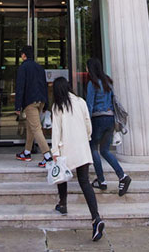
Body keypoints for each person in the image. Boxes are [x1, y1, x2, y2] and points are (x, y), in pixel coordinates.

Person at [50, 77, 105, 242]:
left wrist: (54, 151)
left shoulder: (57, 106)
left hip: (65, 147)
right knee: (85, 182)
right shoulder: (80, 102)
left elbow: (56, 130)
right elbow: (88, 123)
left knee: (62, 176)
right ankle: (96, 218)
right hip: (81, 148)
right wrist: (86, 138)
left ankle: (63, 204)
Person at [86, 58, 131, 196]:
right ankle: (122, 176)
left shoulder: (92, 84)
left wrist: (86, 122)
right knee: (105, 150)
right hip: (110, 119)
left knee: (93, 148)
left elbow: (89, 104)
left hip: (98, 119)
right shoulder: (108, 82)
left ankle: (101, 180)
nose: (86, 70)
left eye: (87, 67)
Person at [14, 45, 53, 167]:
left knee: (36, 128)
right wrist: (46, 103)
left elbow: (20, 87)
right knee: (31, 127)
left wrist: (17, 106)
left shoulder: (23, 67)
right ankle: (27, 152)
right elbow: (44, 86)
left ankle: (48, 156)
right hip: (40, 101)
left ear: (24, 55)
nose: (21, 56)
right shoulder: (39, 68)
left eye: (21, 54)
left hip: (30, 102)